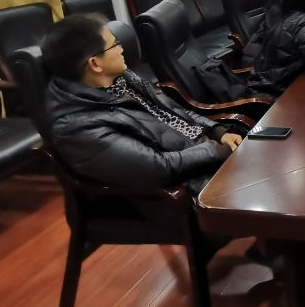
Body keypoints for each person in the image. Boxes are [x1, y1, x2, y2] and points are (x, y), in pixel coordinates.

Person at [42, 14, 241, 195]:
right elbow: (158, 168)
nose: (121, 49)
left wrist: (218, 131)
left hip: (207, 155)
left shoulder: (123, 79)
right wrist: (217, 151)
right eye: (115, 44)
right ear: (95, 64)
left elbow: (174, 111)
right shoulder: (77, 126)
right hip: (195, 184)